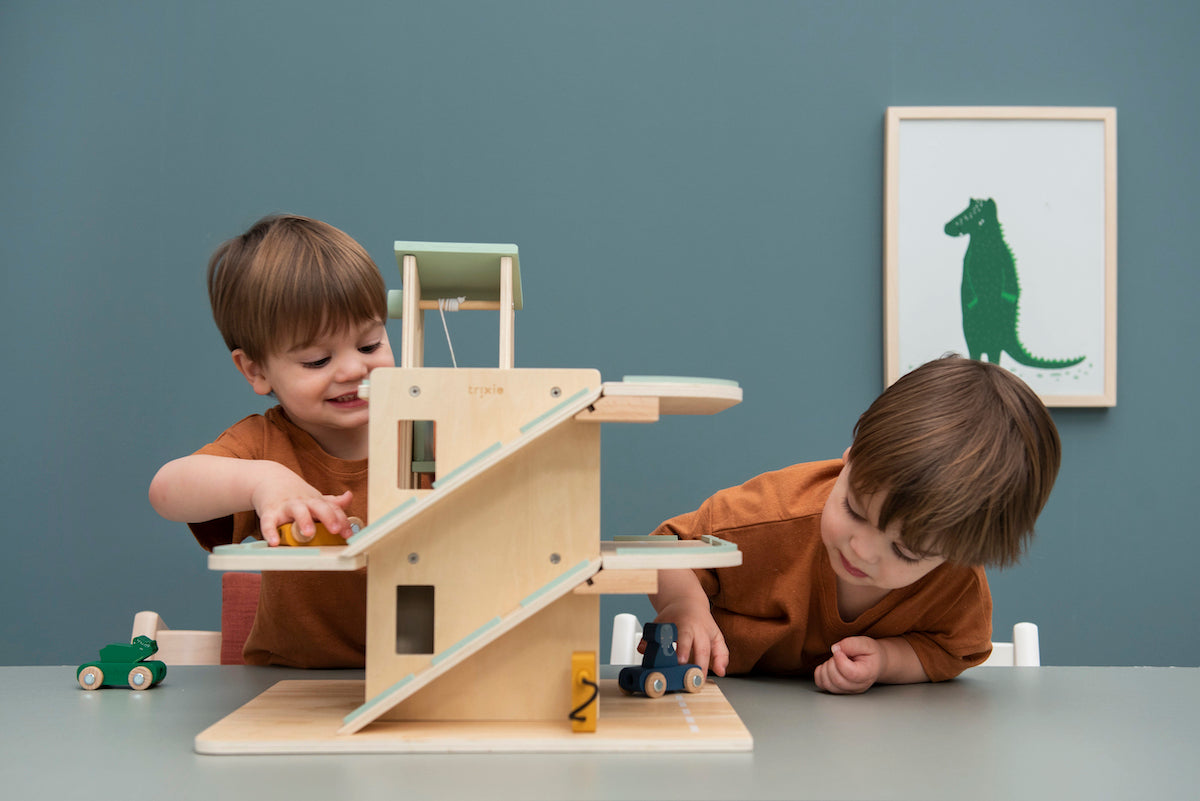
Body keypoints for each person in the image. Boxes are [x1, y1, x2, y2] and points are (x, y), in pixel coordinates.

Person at [648, 355, 1062, 693]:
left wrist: (887, 660)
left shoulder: (956, 587)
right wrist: (684, 605)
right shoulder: (768, 517)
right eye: (855, 510)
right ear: (849, 459)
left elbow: (952, 651)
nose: (861, 548)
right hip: (716, 700)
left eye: (904, 550)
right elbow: (662, 547)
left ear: (958, 553)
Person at [148, 214, 395, 667]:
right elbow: (166, 490)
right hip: (287, 685)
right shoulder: (263, 446)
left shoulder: (429, 430)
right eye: (318, 360)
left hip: (422, 678)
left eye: (370, 345)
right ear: (255, 370)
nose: (353, 370)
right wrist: (263, 482)